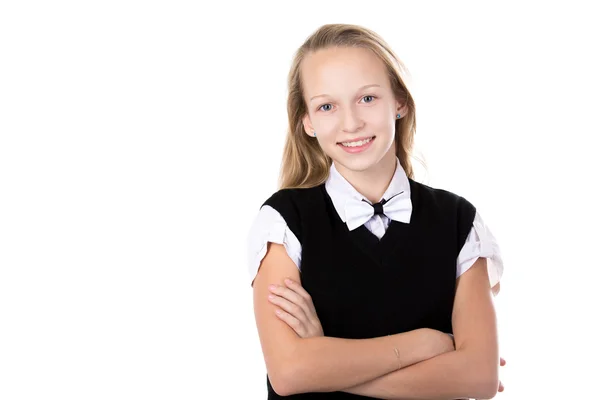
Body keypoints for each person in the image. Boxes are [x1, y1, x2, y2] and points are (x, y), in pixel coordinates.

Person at [246, 23, 505, 399]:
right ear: (307, 121)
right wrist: (420, 346)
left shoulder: (457, 221)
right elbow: (289, 373)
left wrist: (328, 364)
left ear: (398, 101)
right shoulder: (284, 222)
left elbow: (479, 378)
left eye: (367, 98)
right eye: (327, 106)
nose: (351, 123)